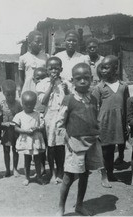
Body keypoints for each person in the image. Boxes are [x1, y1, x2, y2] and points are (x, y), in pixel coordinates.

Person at [56, 63, 103, 216]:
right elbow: (60, 122)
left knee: (85, 174)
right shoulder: (68, 99)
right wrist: (66, 139)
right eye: (78, 79)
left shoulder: (94, 99)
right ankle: (61, 208)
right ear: (72, 80)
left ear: (91, 79)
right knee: (68, 177)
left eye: (86, 78)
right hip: (74, 143)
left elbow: (95, 118)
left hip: (90, 142)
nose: (83, 81)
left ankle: (79, 205)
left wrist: (97, 132)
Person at [92, 55, 129, 188]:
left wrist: (126, 125)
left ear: (115, 69)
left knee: (112, 149)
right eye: (102, 68)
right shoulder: (99, 87)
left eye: (106, 68)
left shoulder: (123, 86)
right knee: (104, 151)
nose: (103, 71)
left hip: (117, 123)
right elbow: (94, 108)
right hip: (103, 124)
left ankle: (110, 172)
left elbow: (126, 106)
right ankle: (104, 175)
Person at [36, 56, 70, 184]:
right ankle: (52, 172)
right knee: (51, 146)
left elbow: (69, 100)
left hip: (62, 117)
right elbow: (43, 101)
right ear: (47, 70)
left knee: (60, 146)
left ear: (61, 69)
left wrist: (66, 90)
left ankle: (60, 171)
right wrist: (51, 84)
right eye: (51, 68)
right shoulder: (43, 83)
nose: (54, 71)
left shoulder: (65, 83)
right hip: (50, 118)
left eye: (57, 68)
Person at [13, 91, 46, 186]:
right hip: (26, 140)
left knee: (37, 159)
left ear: (35, 103)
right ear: (22, 103)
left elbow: (42, 126)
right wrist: (25, 131)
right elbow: (16, 128)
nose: (28, 106)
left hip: (35, 140)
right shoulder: (19, 115)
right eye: (26, 104)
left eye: (31, 104)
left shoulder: (38, 114)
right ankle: (27, 177)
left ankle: (39, 176)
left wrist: (37, 128)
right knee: (27, 160)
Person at [0, 80, 22, 177]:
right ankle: (7, 169)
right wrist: (4, 124)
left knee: (15, 150)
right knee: (6, 151)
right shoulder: (2, 105)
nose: (11, 97)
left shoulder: (18, 104)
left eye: (13, 94)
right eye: (8, 95)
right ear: (4, 94)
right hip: (6, 132)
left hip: (15, 131)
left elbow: (22, 117)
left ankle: (15, 168)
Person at [18, 30, 49, 97]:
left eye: (41, 42)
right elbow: (21, 77)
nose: (40, 44)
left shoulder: (46, 57)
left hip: (42, 90)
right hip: (28, 89)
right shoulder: (23, 58)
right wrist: (21, 90)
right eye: (37, 42)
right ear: (29, 43)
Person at [33, 67, 49, 175]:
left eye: (43, 78)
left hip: (48, 120)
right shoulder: (32, 95)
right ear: (34, 80)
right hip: (37, 122)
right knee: (39, 146)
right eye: (38, 79)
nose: (40, 81)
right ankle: (41, 167)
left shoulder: (49, 94)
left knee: (48, 145)